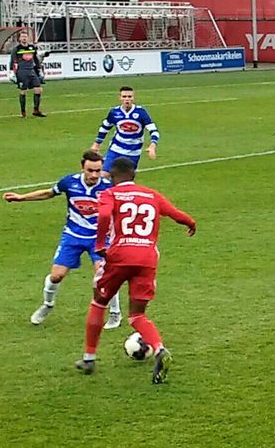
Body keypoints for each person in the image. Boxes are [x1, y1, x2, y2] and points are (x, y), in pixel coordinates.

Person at [75, 157, 196, 383]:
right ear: (134, 174)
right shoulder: (151, 194)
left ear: (111, 176)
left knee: (99, 302)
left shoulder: (109, 194)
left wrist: (100, 244)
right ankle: (159, 349)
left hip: (120, 255)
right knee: (137, 314)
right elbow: (174, 212)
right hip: (147, 258)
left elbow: (102, 215)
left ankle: (89, 358)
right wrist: (190, 223)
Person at [2, 151, 121, 329]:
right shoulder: (69, 182)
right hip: (73, 236)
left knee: (103, 275)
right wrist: (22, 197)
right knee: (56, 276)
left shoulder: (109, 187)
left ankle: (115, 313)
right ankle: (47, 305)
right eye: (90, 170)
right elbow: (49, 193)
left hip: (100, 238)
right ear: (82, 168)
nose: (94, 175)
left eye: (98, 170)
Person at [91, 86, 159, 175]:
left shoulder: (141, 112)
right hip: (115, 149)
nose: (127, 99)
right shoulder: (114, 112)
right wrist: (96, 145)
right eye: (124, 96)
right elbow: (105, 127)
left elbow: (154, 130)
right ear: (120, 98)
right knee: (104, 175)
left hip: (133, 153)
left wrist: (152, 146)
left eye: (129, 97)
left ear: (133, 98)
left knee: (124, 179)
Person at [9, 31, 46, 118]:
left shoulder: (32, 47)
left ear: (28, 38)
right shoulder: (17, 49)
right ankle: (23, 111)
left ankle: (36, 110)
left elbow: (36, 60)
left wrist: (39, 69)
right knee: (23, 91)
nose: (24, 38)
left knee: (38, 89)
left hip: (31, 71)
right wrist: (12, 72)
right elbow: (13, 61)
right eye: (22, 37)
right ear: (20, 38)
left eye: (25, 36)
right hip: (22, 72)